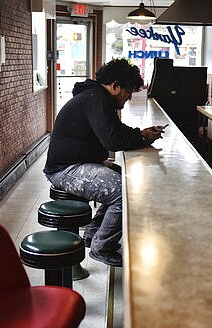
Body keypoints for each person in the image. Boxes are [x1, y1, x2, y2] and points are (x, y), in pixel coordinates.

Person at [44, 58, 165, 267]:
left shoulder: (97, 97)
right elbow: (112, 140)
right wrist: (143, 138)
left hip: (80, 163)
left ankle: (92, 235)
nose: (128, 98)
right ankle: (102, 247)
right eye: (128, 92)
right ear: (115, 86)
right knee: (126, 191)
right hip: (65, 169)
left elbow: (115, 131)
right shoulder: (96, 98)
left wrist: (140, 134)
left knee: (126, 179)